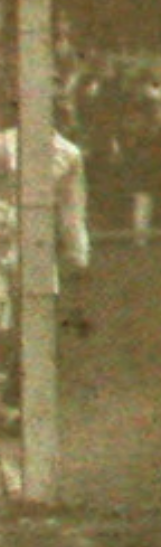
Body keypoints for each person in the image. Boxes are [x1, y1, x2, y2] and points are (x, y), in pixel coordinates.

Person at [0, 113, 92, 424]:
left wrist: (78, 252)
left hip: (36, 247)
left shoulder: (68, 154)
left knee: (35, 324)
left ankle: (15, 405)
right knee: (3, 325)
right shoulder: (5, 142)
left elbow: (72, 208)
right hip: (3, 242)